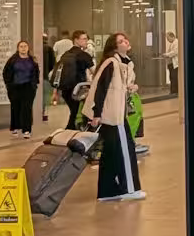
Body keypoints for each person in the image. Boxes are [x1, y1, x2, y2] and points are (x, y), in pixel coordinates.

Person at [87, 32, 144, 200]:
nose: (125, 41)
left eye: (125, 39)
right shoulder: (112, 63)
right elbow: (100, 88)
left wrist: (130, 87)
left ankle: (107, 191)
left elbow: (115, 88)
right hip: (113, 116)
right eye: (120, 41)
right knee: (125, 151)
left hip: (117, 114)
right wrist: (96, 113)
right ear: (114, 47)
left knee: (111, 153)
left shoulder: (123, 63)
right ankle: (129, 189)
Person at [1, 40, 42, 138]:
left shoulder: (33, 60)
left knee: (27, 108)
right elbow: (6, 72)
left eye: (25, 46)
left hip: (28, 87)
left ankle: (26, 130)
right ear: (18, 48)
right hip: (15, 87)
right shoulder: (13, 60)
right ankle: (15, 127)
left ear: (28, 48)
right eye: (21, 46)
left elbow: (36, 72)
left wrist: (35, 83)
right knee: (15, 107)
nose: (23, 48)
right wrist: (9, 84)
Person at [56, 31, 93, 129]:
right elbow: (95, 71)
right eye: (84, 39)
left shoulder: (65, 54)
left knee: (74, 111)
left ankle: (70, 130)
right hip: (79, 90)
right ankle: (70, 131)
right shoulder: (84, 55)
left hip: (66, 89)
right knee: (77, 112)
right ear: (76, 40)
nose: (86, 41)